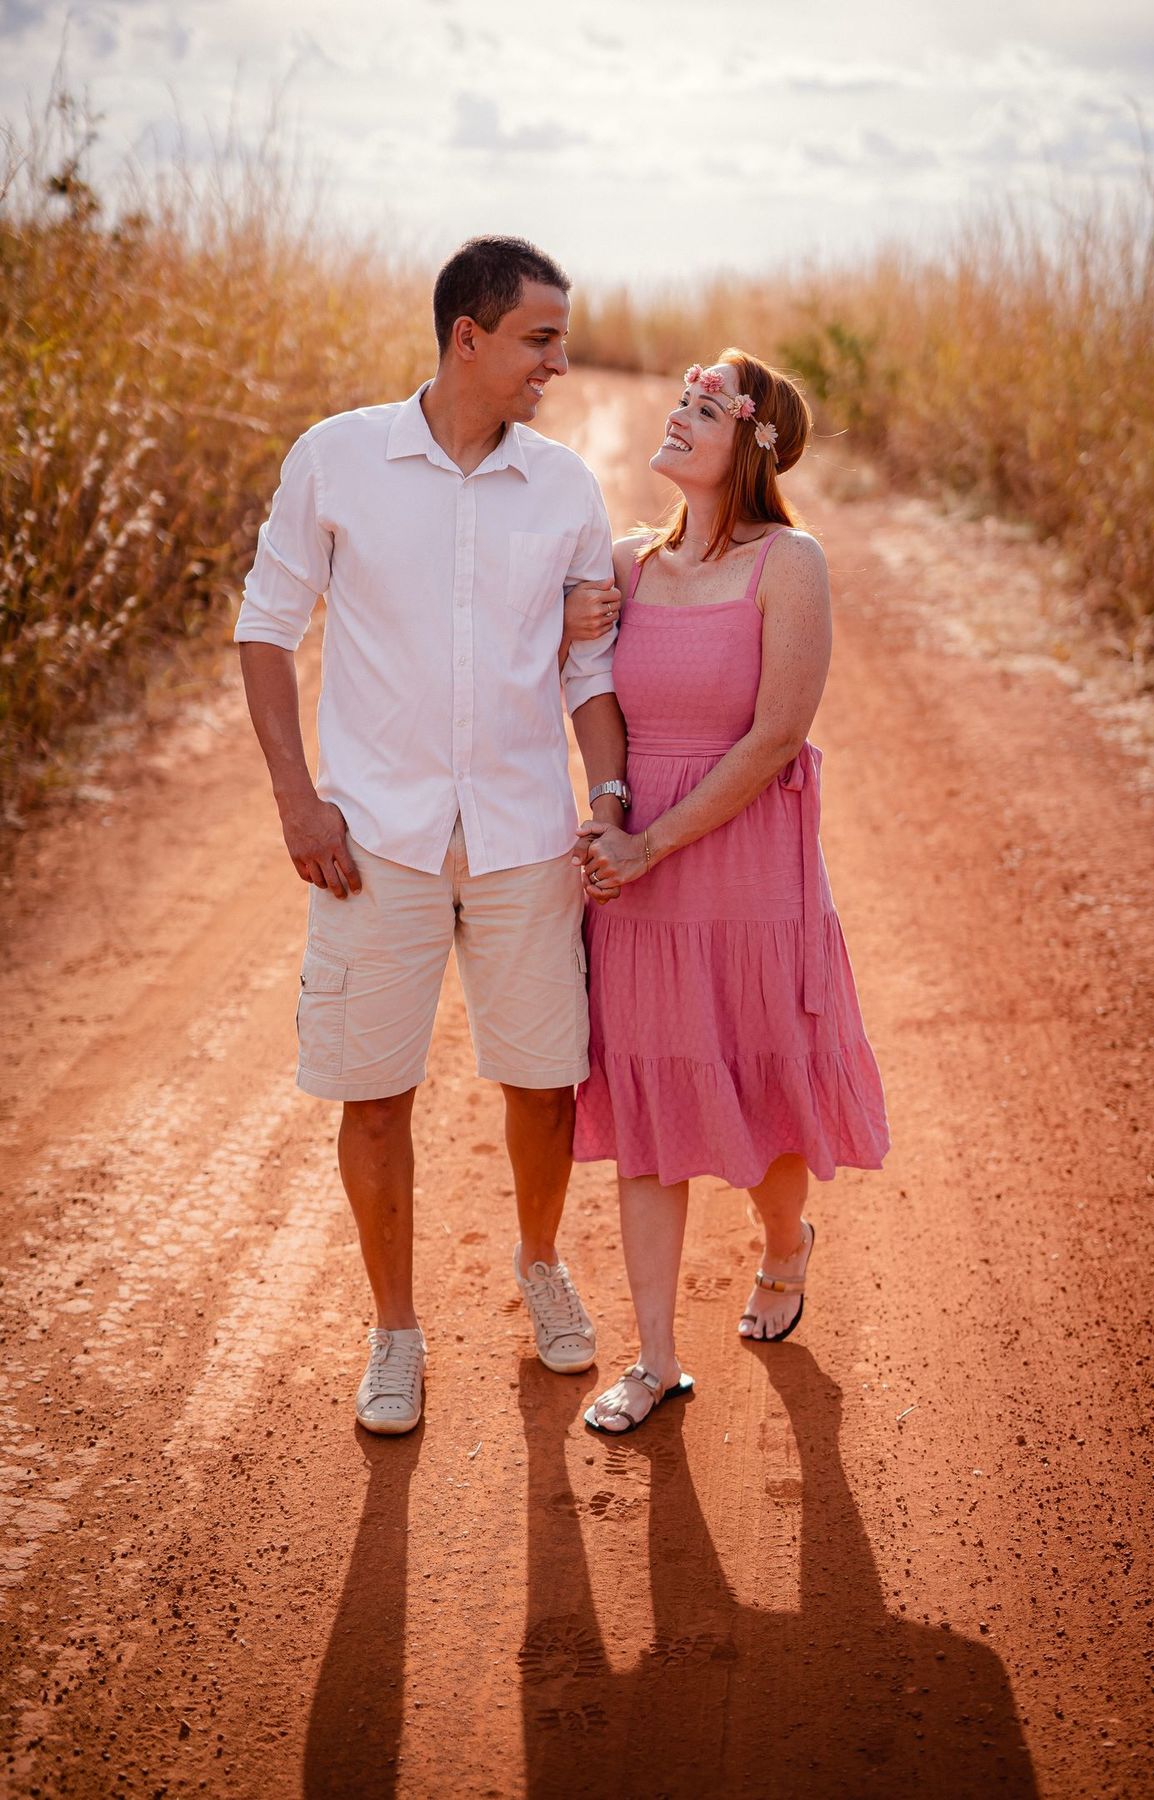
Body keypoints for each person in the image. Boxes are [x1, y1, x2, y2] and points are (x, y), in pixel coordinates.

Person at [235, 236, 630, 1435]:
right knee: (373, 1094)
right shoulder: (337, 459)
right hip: (378, 840)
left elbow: (590, 673)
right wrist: (297, 802)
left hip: (520, 837)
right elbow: (265, 630)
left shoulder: (563, 487)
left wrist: (607, 803)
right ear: (471, 337)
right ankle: (394, 1331)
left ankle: (540, 1263)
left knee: (547, 1083)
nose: (560, 363)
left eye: (561, 337)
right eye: (540, 339)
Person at [570, 349, 890, 1434]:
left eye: (704, 407)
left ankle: (786, 1242)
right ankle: (654, 1361)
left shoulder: (788, 562)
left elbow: (776, 738)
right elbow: (590, 691)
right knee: (653, 1104)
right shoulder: (628, 561)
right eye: (681, 399)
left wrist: (657, 841)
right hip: (638, 871)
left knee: (763, 1093)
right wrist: (612, 811)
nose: (677, 415)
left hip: (743, 863)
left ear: (749, 444)